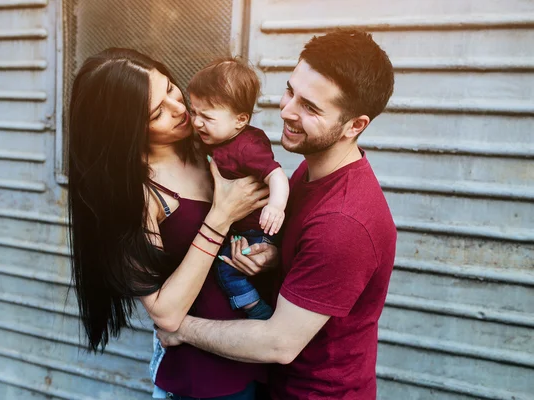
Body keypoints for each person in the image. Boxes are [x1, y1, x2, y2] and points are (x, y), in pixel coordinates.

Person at [157, 29, 397, 400]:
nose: (286, 110)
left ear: (355, 126)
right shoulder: (310, 172)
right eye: (290, 91)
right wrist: (274, 257)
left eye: (311, 107)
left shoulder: (345, 222)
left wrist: (180, 329)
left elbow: (279, 343)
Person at [67, 48, 278, 400]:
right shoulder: (135, 195)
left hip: (257, 356)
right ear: (126, 129)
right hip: (204, 380)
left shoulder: (209, 144)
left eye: (169, 88)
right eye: (157, 113)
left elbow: (260, 220)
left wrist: (270, 256)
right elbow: (164, 311)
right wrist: (220, 217)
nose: (180, 109)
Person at [187, 58, 289, 320]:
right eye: (194, 112)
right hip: (238, 226)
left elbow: (276, 175)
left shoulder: (247, 148)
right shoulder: (217, 137)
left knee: (227, 269)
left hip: (255, 230)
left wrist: (276, 207)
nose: (197, 123)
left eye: (207, 117)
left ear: (240, 120)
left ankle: (257, 310)